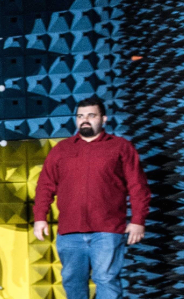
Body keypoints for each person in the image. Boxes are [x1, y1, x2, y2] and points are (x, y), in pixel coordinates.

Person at [32, 96, 150, 299]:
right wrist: (40, 217)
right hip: (70, 232)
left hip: (107, 230)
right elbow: (45, 185)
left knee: (106, 280)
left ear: (103, 119)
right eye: (80, 116)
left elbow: (137, 186)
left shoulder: (120, 147)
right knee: (72, 281)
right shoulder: (62, 149)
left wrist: (138, 220)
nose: (84, 120)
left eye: (91, 115)